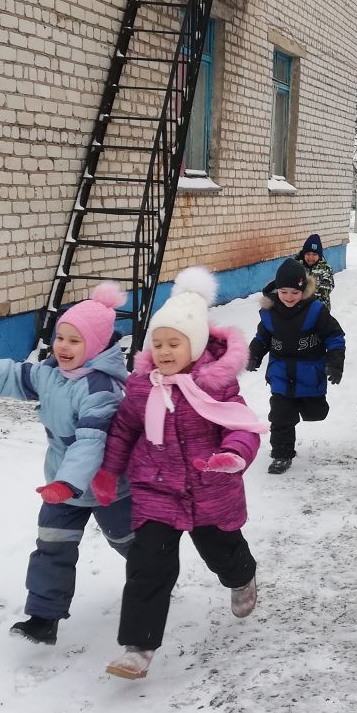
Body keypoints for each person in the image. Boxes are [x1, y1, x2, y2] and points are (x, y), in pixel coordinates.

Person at [95, 267, 268, 680]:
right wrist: (108, 472)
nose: (164, 351)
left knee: (223, 553)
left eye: (174, 343)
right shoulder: (143, 386)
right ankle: (138, 647)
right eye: (157, 344)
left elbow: (240, 426)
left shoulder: (216, 386)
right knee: (148, 565)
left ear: (196, 345)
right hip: (156, 491)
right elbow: (124, 431)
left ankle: (242, 578)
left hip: (209, 490)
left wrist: (232, 455)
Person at [0, 281, 131, 646]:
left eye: (75, 341)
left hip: (108, 485)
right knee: (52, 545)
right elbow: (16, 375)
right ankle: (43, 618)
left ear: (94, 345)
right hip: (62, 483)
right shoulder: (51, 373)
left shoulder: (100, 390)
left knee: (129, 542)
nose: (63, 347)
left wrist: (67, 483)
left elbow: (91, 442)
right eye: (60, 338)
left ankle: (154, 576)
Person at [248, 257, 345, 474]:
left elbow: (334, 336)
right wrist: (253, 355)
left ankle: (305, 407)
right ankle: (281, 455)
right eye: (284, 292)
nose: (289, 297)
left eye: (295, 292)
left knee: (316, 412)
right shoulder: (270, 313)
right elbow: (262, 338)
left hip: (309, 372)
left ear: (304, 290)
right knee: (281, 416)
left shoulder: (315, 311)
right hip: (281, 373)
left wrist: (336, 362)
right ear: (277, 290)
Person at [298, 232, 336, 304]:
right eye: (308, 254)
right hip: (301, 306)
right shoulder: (298, 266)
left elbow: (328, 287)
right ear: (303, 254)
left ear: (319, 255)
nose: (311, 257)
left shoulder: (325, 268)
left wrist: (306, 295)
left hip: (319, 306)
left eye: (314, 254)